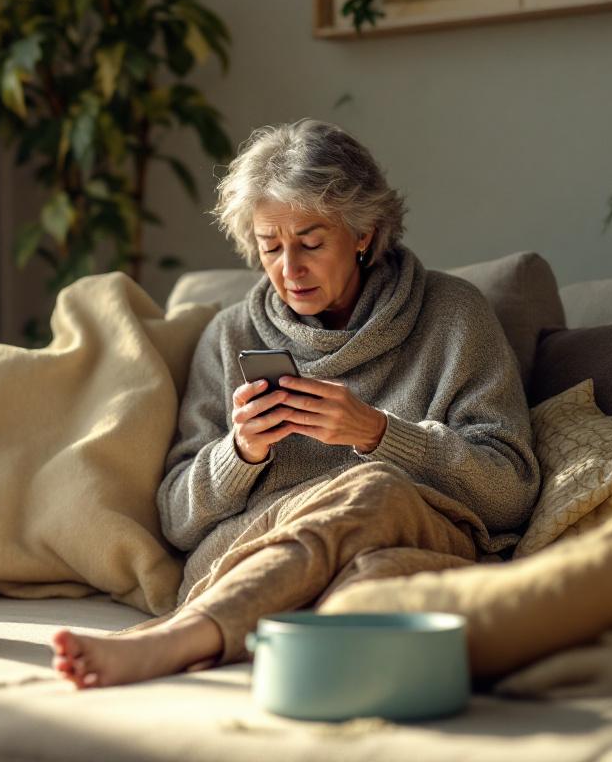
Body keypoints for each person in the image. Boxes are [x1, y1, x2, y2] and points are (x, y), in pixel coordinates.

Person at [49, 119, 540, 688]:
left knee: (375, 492)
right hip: (252, 551)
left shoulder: (453, 316)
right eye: (270, 247)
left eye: (310, 242)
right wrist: (241, 453)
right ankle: (283, 653)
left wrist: (378, 433)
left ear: (363, 233)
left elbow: (513, 491)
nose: (289, 269)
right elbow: (178, 521)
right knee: (377, 572)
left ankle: (190, 641)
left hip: (418, 530)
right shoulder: (232, 335)